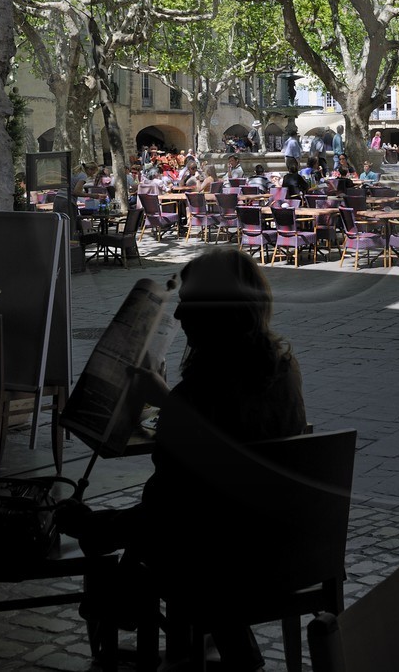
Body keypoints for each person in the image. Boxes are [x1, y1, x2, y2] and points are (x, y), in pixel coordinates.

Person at [56, 249, 306, 672]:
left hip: (212, 553)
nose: (182, 315)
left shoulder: (205, 386)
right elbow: (227, 440)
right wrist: (173, 404)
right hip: (277, 541)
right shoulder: (283, 369)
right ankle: (108, 535)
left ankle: (105, 544)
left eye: (190, 304)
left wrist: (166, 406)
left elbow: (171, 488)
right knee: (182, 520)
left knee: (165, 525)